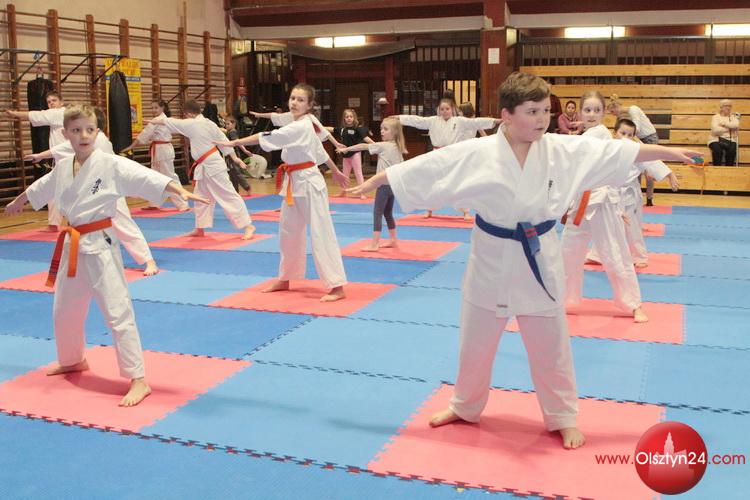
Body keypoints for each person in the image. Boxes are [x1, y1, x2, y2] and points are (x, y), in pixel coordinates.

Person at [346, 72, 700, 449]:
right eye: (532, 111)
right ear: (507, 115)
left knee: (551, 345)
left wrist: (668, 153)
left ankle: (562, 416)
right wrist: (377, 180)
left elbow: (614, 153)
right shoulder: (479, 152)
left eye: (545, 110)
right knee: (475, 343)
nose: (541, 119)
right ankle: (465, 405)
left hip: (539, 255)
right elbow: (432, 167)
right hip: (491, 256)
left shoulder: (560, 149)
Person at [4, 104, 208, 406]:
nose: (84, 135)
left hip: (100, 245)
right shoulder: (64, 166)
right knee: (65, 310)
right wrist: (19, 201)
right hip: (73, 245)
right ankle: (73, 359)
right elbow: (42, 186)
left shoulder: (109, 163)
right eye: (76, 130)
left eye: (89, 129)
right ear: (66, 134)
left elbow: (142, 176)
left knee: (117, 311)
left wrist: (176, 189)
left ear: (97, 132)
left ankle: (138, 378)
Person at [215, 84, 350, 302]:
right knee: (288, 231)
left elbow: (267, 136)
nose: (294, 102)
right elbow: (319, 151)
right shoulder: (302, 123)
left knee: (321, 232)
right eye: (293, 98)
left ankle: (337, 285)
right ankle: (286, 277)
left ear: (310, 105)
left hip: (309, 183)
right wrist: (335, 171)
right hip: (293, 182)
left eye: (300, 100)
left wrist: (234, 141)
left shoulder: (302, 126)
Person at [25, 107, 162, 276]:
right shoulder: (92, 138)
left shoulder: (98, 140)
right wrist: (41, 155)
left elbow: (64, 148)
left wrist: (40, 155)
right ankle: (89, 264)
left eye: (87, 127)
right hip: (95, 190)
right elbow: (64, 148)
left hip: (109, 188)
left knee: (124, 225)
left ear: (95, 127)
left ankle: (149, 261)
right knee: (94, 228)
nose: (82, 133)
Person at [561, 92, 650, 323]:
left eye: (596, 110)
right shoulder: (584, 135)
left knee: (615, 254)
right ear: (580, 112)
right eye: (587, 110)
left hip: (602, 202)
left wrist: (619, 208)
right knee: (568, 254)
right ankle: (565, 300)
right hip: (579, 204)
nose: (591, 114)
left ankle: (633, 304)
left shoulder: (599, 133)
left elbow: (578, 148)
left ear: (603, 114)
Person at [150, 100, 255, 239]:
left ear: (188, 113)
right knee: (200, 197)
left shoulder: (192, 124)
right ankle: (200, 228)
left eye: (185, 115)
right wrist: (235, 158)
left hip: (213, 166)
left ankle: (248, 226)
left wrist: (150, 121)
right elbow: (223, 141)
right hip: (204, 166)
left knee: (228, 195)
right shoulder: (209, 123)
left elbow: (167, 121)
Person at [398, 99, 500, 219]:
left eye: (447, 109)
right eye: (442, 109)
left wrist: (494, 121)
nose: (445, 111)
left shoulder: (459, 121)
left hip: (452, 154)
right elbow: (417, 120)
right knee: (433, 183)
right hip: (437, 155)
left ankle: (465, 211)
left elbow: (476, 122)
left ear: (452, 109)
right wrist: (399, 118)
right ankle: (429, 209)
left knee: (458, 183)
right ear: (438, 110)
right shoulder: (433, 121)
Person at [337, 116, 407, 251]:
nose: (381, 131)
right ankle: (393, 240)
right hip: (393, 185)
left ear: (394, 132)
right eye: (381, 128)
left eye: (385, 129)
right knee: (387, 213)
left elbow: (363, 146)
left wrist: (347, 149)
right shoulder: (398, 147)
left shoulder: (383, 146)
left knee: (377, 213)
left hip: (383, 185)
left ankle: (374, 243)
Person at [3, 91, 66, 230]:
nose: (51, 104)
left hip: (67, 160)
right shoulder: (63, 115)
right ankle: (54, 224)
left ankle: (57, 223)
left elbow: (35, 115)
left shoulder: (57, 113)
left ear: (61, 102)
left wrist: (14, 114)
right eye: (49, 102)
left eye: (54, 100)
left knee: (53, 190)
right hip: (62, 159)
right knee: (52, 191)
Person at [123, 100, 189, 211]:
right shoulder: (163, 119)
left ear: (162, 108)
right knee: (154, 178)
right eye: (152, 108)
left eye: (156, 107)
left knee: (170, 177)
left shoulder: (159, 120)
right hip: (159, 150)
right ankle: (154, 203)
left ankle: (182, 203)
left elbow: (144, 135)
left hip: (163, 151)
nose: (153, 110)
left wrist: (131, 147)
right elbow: (146, 135)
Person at [607, 94, 659, 206]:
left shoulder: (634, 110)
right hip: (635, 138)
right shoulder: (620, 118)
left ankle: (649, 198)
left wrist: (628, 138)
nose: (613, 114)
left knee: (649, 168)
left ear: (616, 107)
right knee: (636, 168)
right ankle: (636, 195)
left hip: (649, 138)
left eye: (612, 111)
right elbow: (620, 131)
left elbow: (636, 129)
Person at [327, 108, 374, 197]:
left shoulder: (357, 129)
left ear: (354, 118)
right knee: (345, 174)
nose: (349, 118)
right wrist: (319, 126)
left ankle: (362, 192)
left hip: (355, 153)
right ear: (344, 119)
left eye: (351, 116)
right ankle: (343, 192)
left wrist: (376, 145)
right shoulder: (342, 129)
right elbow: (331, 129)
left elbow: (365, 138)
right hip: (346, 155)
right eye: (347, 117)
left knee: (358, 173)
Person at [223, 116, 252, 194]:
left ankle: (247, 187)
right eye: (225, 124)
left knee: (236, 172)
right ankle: (235, 191)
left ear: (234, 124)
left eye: (228, 124)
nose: (226, 125)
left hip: (233, 155)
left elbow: (238, 142)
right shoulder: (229, 131)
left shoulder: (232, 132)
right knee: (232, 173)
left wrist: (245, 150)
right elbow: (223, 130)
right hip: (229, 155)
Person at [708, 99, 740, 166]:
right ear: (721, 107)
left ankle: (729, 169)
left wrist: (723, 124)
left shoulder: (733, 117)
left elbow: (736, 125)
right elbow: (715, 130)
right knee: (717, 150)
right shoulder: (715, 117)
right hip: (716, 139)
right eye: (726, 106)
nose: (728, 108)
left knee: (732, 151)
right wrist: (729, 128)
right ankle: (716, 169)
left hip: (730, 140)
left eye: (730, 106)